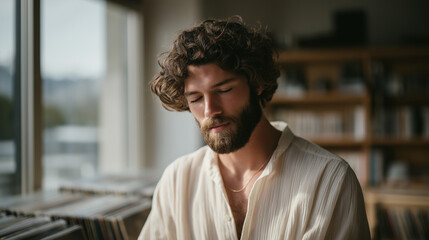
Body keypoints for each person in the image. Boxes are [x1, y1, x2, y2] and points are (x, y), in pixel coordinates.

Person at [139, 16, 370, 240]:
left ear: (257, 83)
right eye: (196, 98)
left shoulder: (331, 181)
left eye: (224, 90)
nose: (210, 110)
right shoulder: (176, 180)